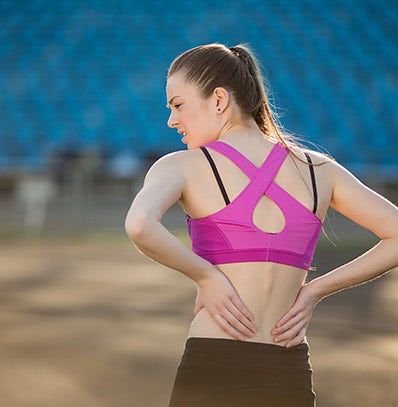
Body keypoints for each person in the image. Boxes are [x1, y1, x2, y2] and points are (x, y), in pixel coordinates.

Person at [124, 43, 398, 406]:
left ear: (219, 99)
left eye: (177, 105)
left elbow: (140, 225)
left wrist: (206, 277)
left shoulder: (181, 165)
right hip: (287, 366)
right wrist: (315, 290)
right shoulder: (320, 170)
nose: (172, 120)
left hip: (214, 360)